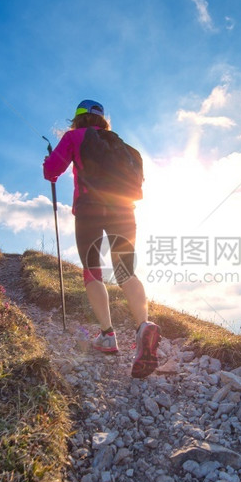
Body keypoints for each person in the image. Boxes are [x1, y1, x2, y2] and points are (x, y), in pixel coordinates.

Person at [43, 99, 161, 378]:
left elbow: (51, 171)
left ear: (77, 119)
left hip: (89, 212)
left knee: (92, 273)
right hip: (124, 210)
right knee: (125, 271)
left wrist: (49, 159)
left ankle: (108, 336)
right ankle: (144, 326)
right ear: (103, 121)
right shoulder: (123, 146)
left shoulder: (74, 137)